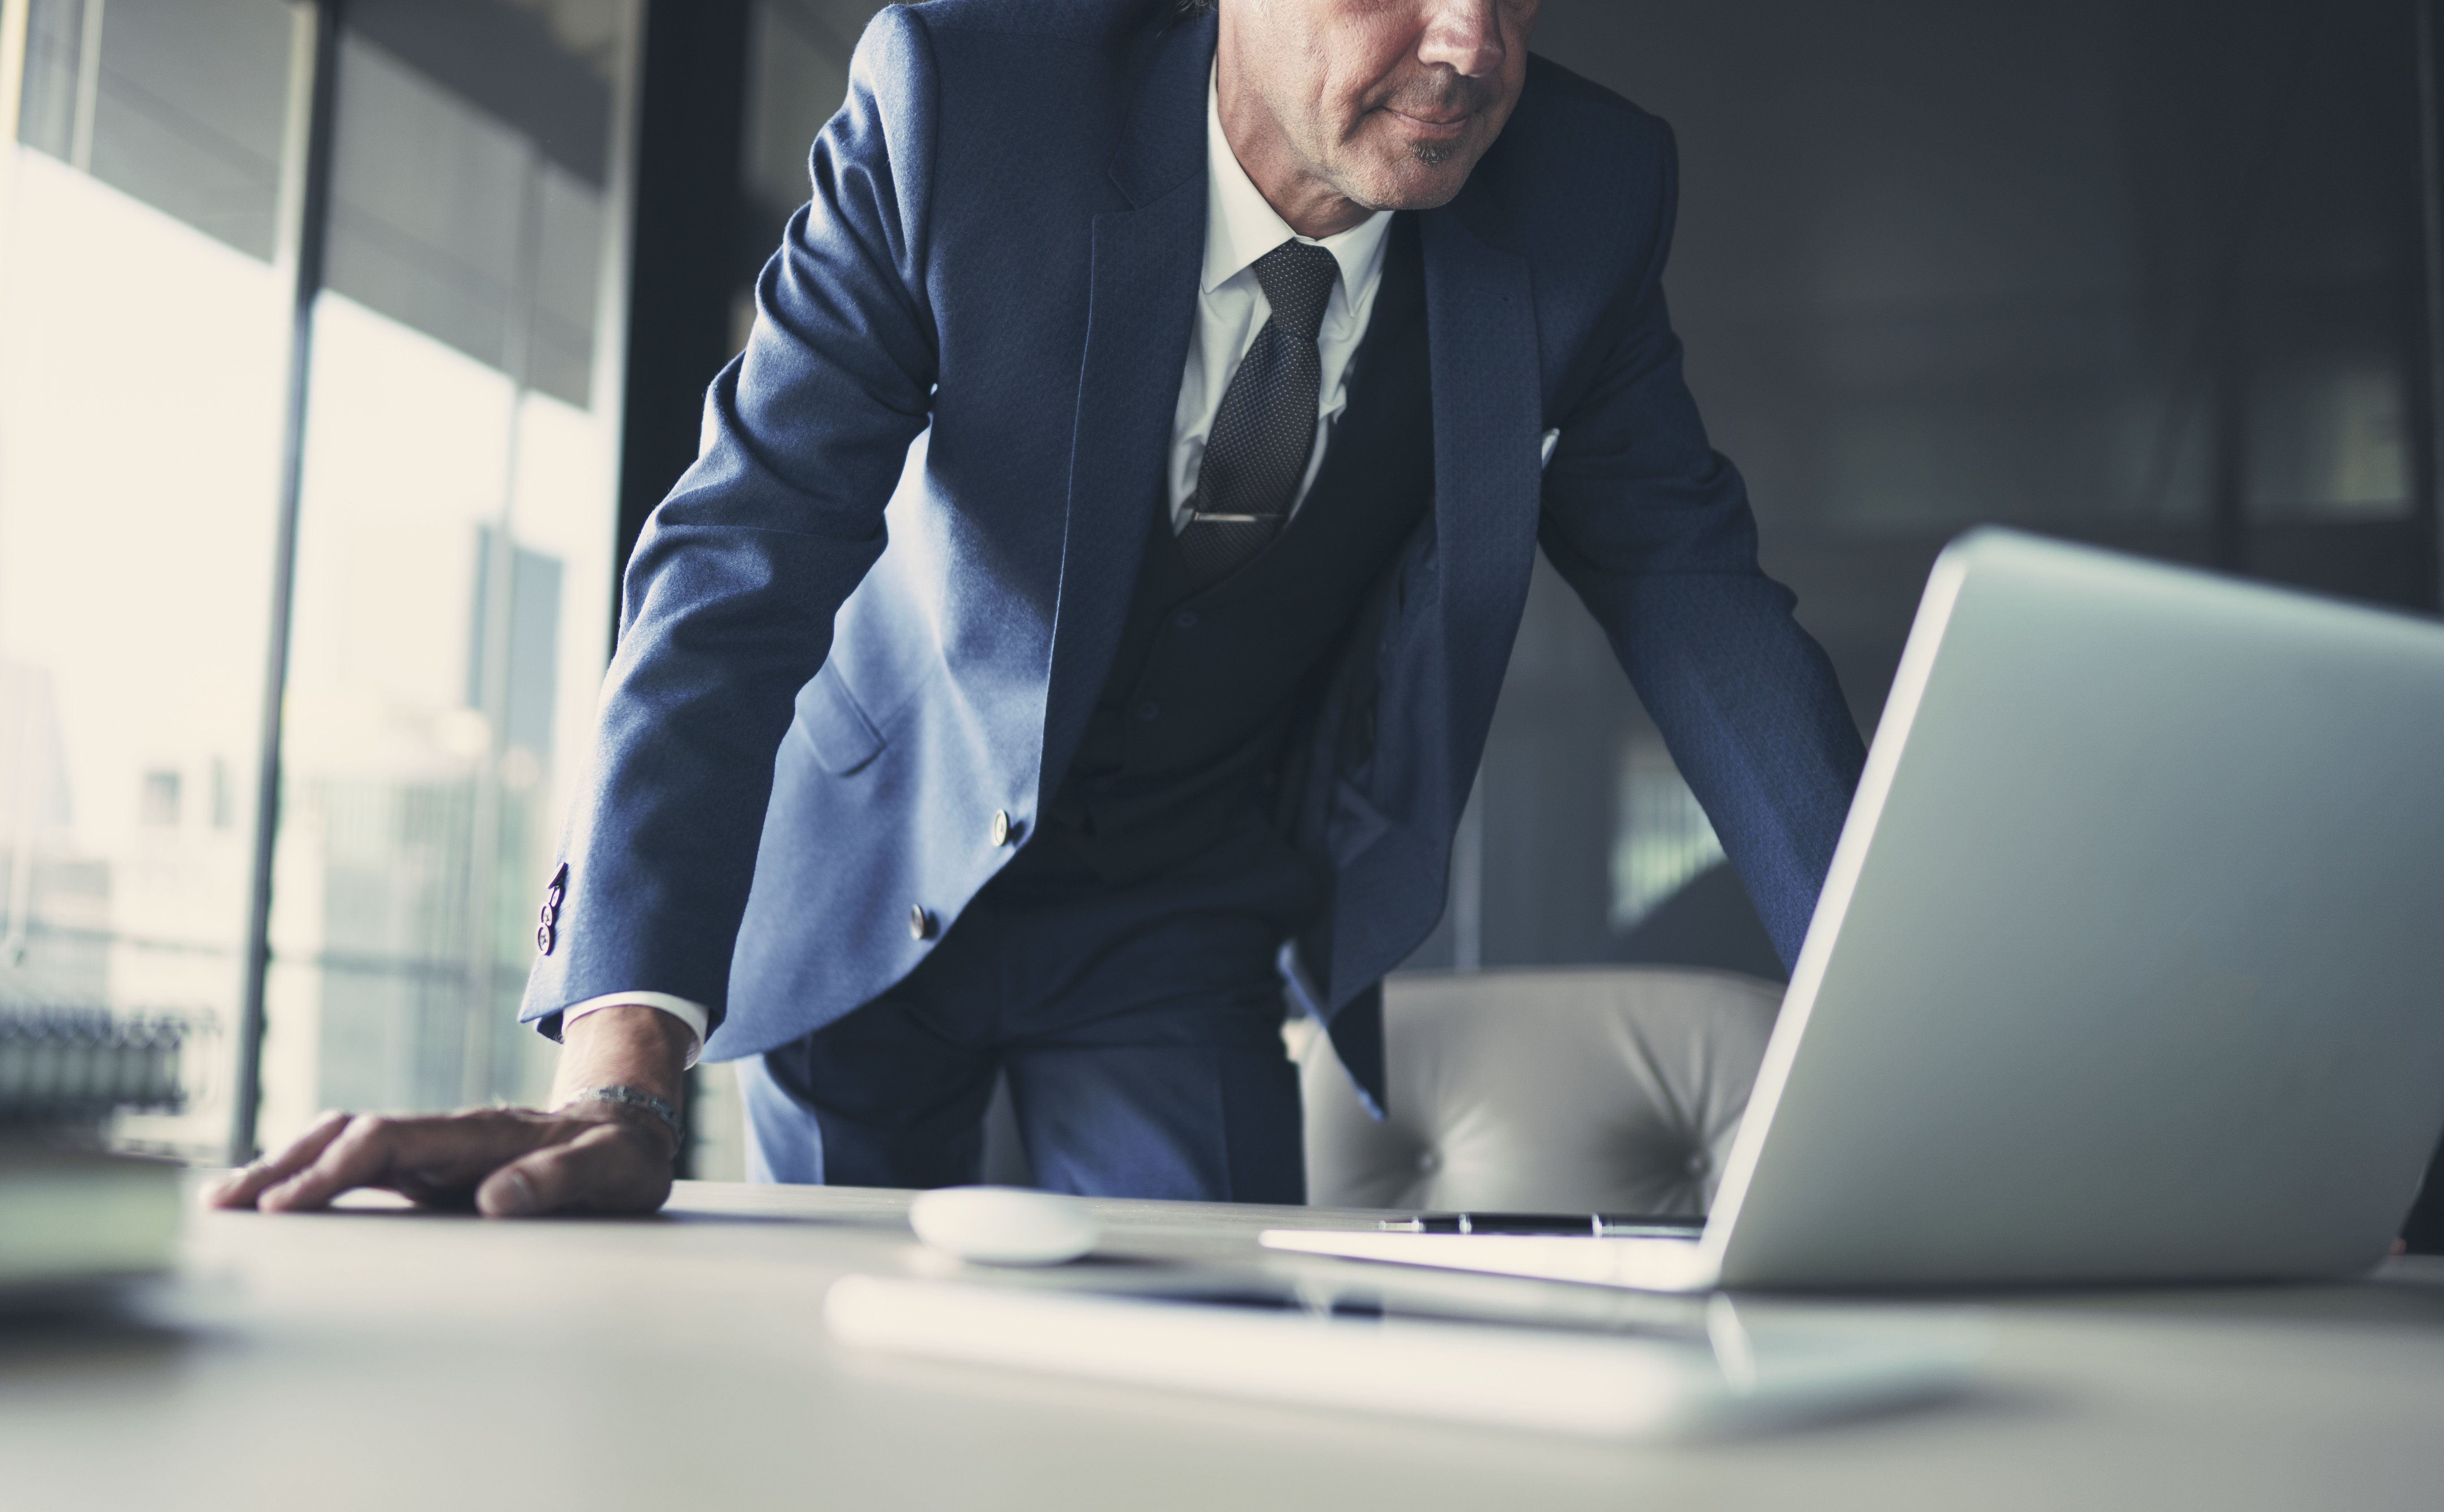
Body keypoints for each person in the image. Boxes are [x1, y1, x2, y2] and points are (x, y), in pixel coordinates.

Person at [209, 0, 1864, 1219]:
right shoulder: (965, 102)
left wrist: (1890, 1038)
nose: (1470, 45)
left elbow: (1702, 606)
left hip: (1189, 916)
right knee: (842, 1417)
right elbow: (738, 560)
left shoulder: (1583, 195)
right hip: (869, 869)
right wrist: (621, 1058)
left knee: (1210, 1427)